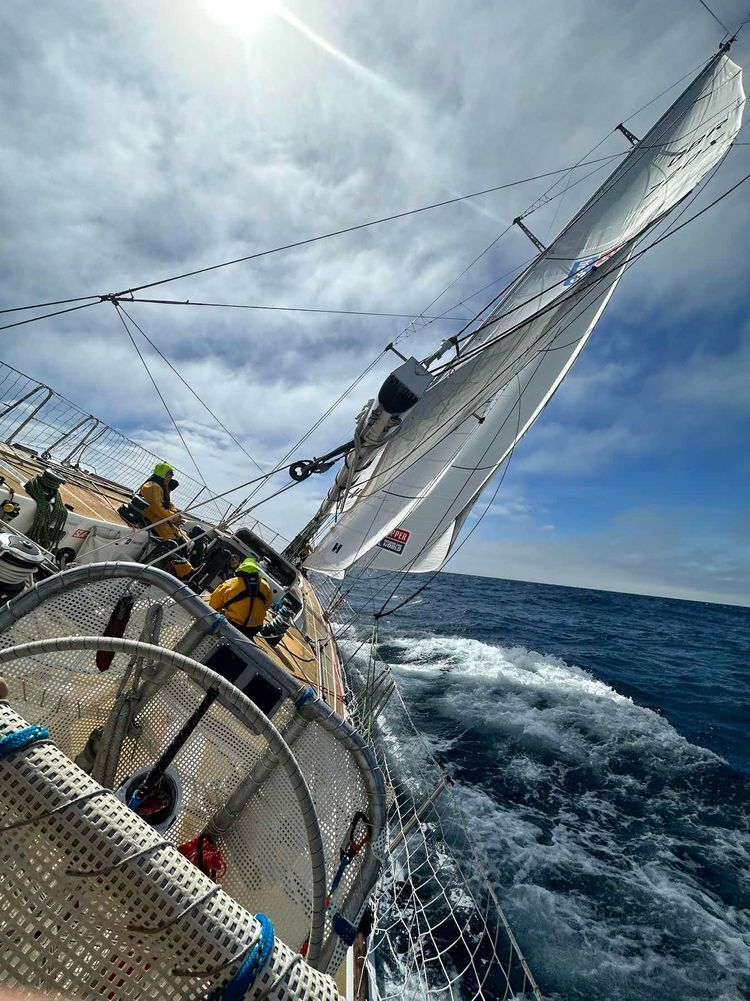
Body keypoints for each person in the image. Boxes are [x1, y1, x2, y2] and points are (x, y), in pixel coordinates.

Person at [137, 461, 193, 579]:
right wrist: (173, 518)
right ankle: (185, 573)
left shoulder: (162, 487)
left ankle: (184, 569)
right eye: (169, 475)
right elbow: (157, 508)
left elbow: (169, 505)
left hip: (162, 520)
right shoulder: (152, 486)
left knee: (181, 541)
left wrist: (175, 514)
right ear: (162, 474)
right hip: (152, 518)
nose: (171, 478)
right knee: (171, 542)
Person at [208, 557, 273, 639]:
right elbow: (267, 606)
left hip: (232, 625)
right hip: (253, 629)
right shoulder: (265, 586)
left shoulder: (230, 583)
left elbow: (212, 605)